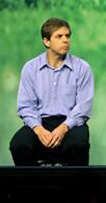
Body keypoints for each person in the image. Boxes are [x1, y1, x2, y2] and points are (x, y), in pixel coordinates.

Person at [10, 18, 94, 166]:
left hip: (71, 123)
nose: (65, 40)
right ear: (46, 41)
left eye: (67, 36)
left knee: (77, 145)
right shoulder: (30, 68)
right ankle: (30, 186)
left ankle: (77, 187)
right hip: (41, 121)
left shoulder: (82, 67)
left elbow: (83, 107)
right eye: (59, 36)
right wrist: (38, 129)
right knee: (19, 144)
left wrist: (63, 128)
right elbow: (26, 106)